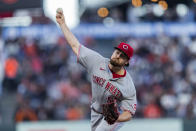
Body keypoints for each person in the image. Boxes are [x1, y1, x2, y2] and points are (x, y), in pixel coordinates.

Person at [56, 8, 137, 131]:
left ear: (127, 62)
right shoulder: (97, 61)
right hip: (95, 111)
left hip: (114, 115)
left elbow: (129, 113)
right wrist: (63, 24)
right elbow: (75, 46)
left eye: (122, 56)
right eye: (117, 52)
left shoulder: (127, 84)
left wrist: (116, 118)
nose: (118, 56)